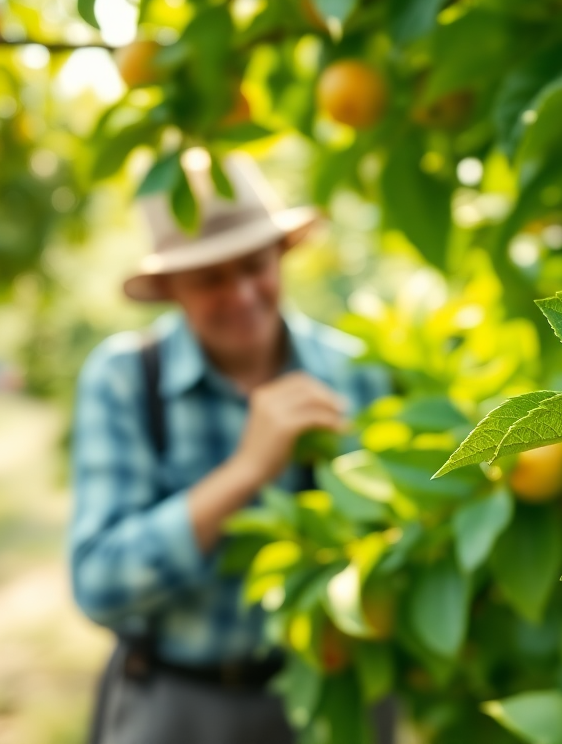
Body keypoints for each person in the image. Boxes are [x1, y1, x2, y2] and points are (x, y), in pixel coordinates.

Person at [69, 151, 388, 744]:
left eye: (254, 265)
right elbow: (99, 585)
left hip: (333, 698)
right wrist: (245, 472)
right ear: (171, 289)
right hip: (181, 705)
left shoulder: (360, 372)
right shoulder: (126, 379)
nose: (242, 293)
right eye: (210, 278)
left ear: (282, 255)